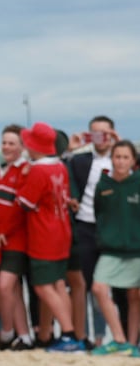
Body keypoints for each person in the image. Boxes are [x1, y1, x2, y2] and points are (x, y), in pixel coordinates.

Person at [18, 122, 80, 351]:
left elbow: (24, 202)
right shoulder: (59, 167)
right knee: (58, 284)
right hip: (62, 229)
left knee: (43, 286)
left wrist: (23, 178)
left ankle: (67, 333)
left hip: (44, 232)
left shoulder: (38, 170)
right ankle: (65, 333)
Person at [66, 116, 117, 344]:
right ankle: (82, 334)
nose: (100, 138)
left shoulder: (120, 159)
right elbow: (60, 171)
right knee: (82, 286)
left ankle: (100, 337)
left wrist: (119, 145)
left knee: (103, 288)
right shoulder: (80, 160)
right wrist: (71, 150)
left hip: (109, 229)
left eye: (105, 133)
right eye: (95, 133)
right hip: (84, 225)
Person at [89, 139, 140, 355]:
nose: (121, 161)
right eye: (117, 157)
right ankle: (118, 338)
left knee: (134, 296)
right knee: (99, 288)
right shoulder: (103, 185)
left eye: (125, 157)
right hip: (110, 249)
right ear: (111, 159)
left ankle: (132, 343)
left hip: (136, 249)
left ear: (133, 161)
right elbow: (98, 212)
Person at [0, 125, 34, 349]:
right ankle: (23, 335)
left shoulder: (26, 170)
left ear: (22, 147)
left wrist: (3, 233)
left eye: (12, 143)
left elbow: (20, 209)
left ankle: (6, 333)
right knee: (11, 289)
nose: (6, 147)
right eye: (4, 142)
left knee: (5, 286)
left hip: (17, 239)